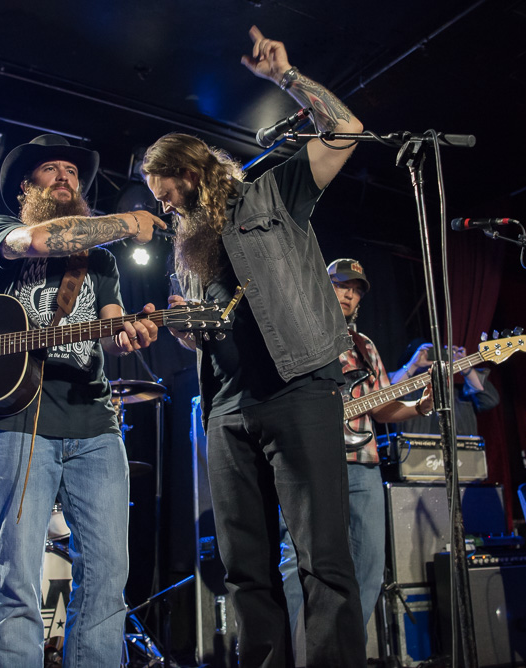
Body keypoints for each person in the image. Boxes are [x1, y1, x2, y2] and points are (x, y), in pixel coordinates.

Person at [146, 25, 367, 667]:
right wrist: (184, 327)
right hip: (226, 407)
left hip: (299, 386)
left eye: (169, 196)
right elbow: (203, 331)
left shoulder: (274, 191)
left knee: (321, 557)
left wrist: (285, 77)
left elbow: (346, 129)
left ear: (189, 173)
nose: (167, 211)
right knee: (243, 566)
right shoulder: (185, 246)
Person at [0, 133, 167, 666]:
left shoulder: (100, 261)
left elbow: (110, 330)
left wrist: (132, 332)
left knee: (108, 578)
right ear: (25, 185)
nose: (65, 176)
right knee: (16, 578)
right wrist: (129, 222)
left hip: (96, 426)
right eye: (51, 169)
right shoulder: (1, 233)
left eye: (71, 170)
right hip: (19, 423)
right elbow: (38, 243)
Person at [279, 259, 433, 647]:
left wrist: (417, 408)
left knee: (367, 570)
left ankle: (340, 653)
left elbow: (379, 406)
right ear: (322, 284)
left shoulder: (364, 346)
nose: (350, 294)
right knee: (301, 567)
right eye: (342, 285)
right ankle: (293, 654)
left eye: (357, 289)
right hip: (311, 465)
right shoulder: (298, 332)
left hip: (363, 467)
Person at [389, 338, 499, 436]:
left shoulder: (458, 394)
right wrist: (414, 364)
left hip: (462, 457)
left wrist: (465, 367)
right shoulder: (405, 392)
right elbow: (388, 393)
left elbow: (490, 400)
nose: (432, 361)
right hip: (415, 455)